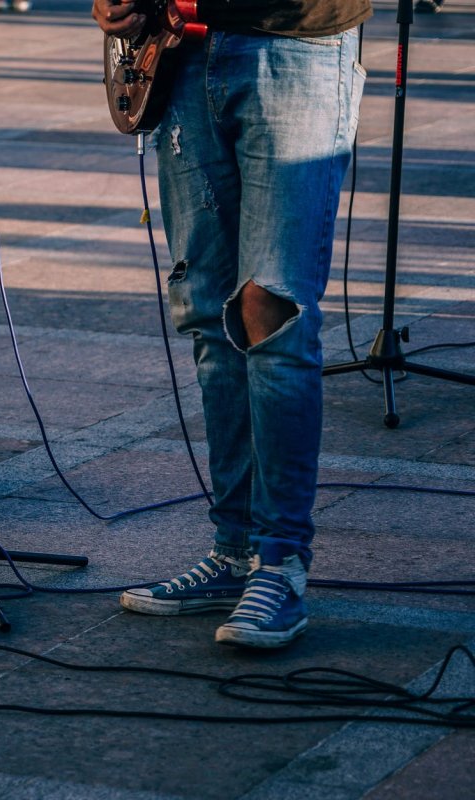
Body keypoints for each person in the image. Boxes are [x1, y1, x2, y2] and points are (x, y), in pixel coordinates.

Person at [92, 0, 370, 648]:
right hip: (184, 53)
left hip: (294, 45)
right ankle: (235, 549)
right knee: (208, 314)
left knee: (272, 316)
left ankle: (280, 563)